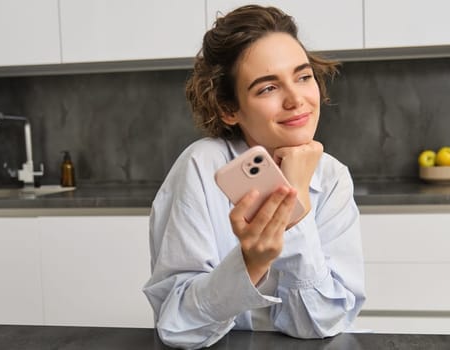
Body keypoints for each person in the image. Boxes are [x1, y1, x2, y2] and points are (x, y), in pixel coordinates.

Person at [143, 5, 365, 349]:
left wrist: (296, 210)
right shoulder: (202, 167)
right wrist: (251, 263)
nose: (296, 100)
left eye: (303, 77)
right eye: (267, 88)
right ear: (229, 109)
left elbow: (322, 323)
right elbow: (177, 327)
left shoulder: (333, 176)